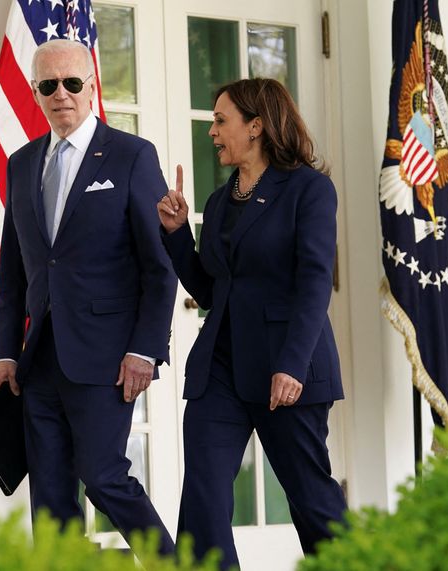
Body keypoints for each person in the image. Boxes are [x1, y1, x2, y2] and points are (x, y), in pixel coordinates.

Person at [0, 39, 177, 556]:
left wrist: (144, 349)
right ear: (35, 92)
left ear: (92, 85)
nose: (61, 94)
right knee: (49, 501)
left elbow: (159, 267)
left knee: (103, 475)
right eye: (48, 85)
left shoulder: (132, 156)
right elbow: (14, 270)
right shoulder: (21, 164)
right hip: (39, 361)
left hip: (107, 357)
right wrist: (5, 351)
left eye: (72, 83)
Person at [157, 78, 347, 569]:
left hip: (287, 366)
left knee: (311, 500)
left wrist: (291, 365)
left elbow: (314, 283)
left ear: (256, 126)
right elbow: (213, 292)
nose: (212, 132)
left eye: (221, 121)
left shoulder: (309, 189)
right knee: (203, 493)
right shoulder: (221, 202)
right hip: (221, 367)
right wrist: (178, 237)